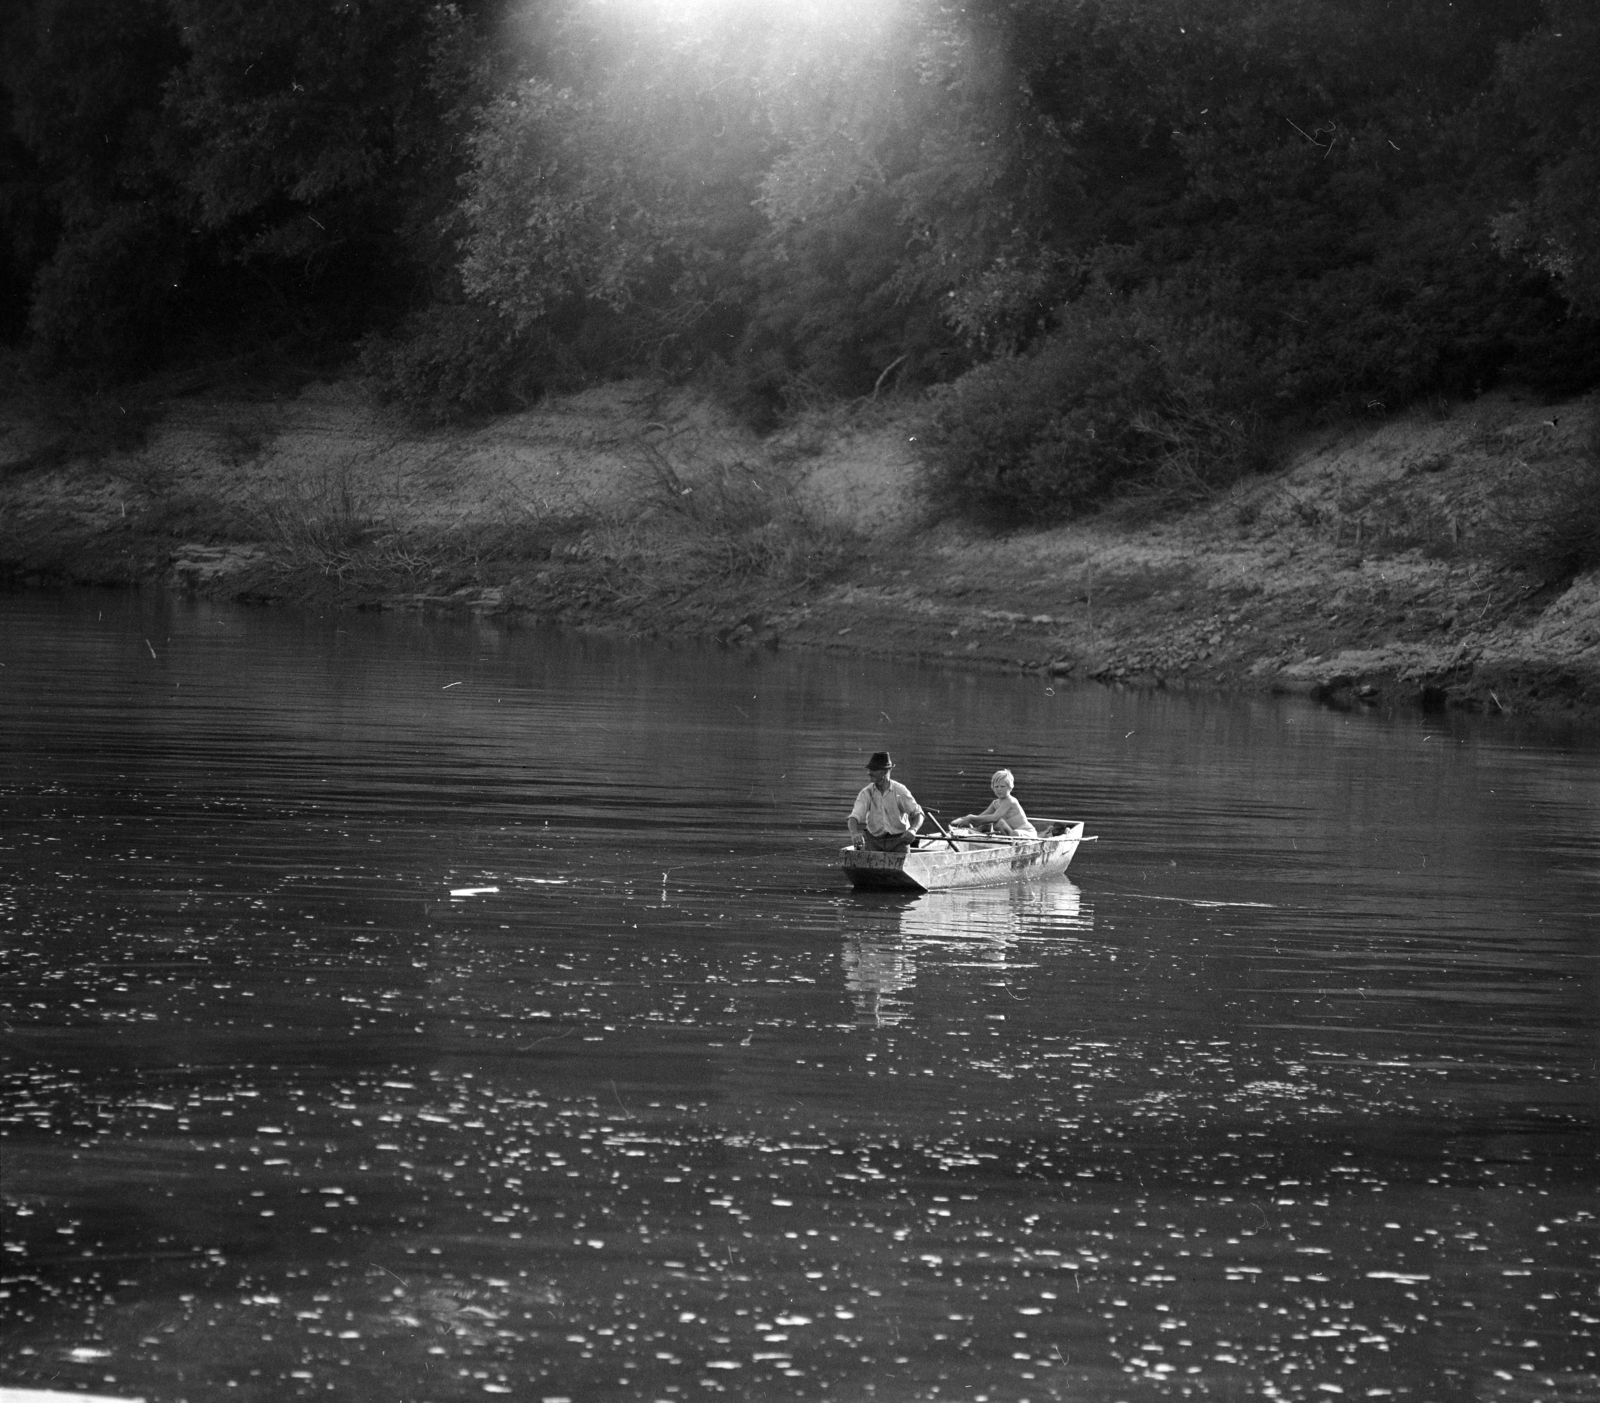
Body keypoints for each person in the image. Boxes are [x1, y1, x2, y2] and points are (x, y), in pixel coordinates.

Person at [847, 751, 926, 852]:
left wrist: (913, 830)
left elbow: (918, 813)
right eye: (869, 769)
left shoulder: (900, 790)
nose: (869, 773)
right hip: (873, 842)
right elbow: (853, 817)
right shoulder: (866, 792)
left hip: (899, 842)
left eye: (873, 769)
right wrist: (854, 834)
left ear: (885, 771)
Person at [956, 768, 1037, 837]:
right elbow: (981, 817)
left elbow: (994, 817)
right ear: (993, 788)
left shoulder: (1010, 800)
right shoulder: (995, 803)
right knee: (998, 824)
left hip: (1027, 833)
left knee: (1013, 832)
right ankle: (1003, 844)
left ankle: (1008, 843)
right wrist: (968, 821)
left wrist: (971, 817)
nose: (999, 789)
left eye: (1002, 786)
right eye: (996, 787)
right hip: (1012, 834)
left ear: (1010, 787)